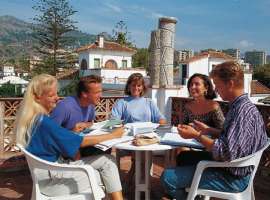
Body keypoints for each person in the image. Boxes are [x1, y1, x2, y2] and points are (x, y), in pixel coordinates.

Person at [161, 61, 268, 200]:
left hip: (232, 178)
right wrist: (208, 130)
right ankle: (192, 194)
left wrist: (197, 135)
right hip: (234, 168)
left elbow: (226, 152)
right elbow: (232, 137)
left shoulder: (242, 112)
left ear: (229, 83)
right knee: (184, 157)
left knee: (167, 177)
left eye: (217, 84)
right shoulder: (241, 106)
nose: (216, 90)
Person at [15, 74, 124, 200]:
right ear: (37, 98)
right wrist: (113, 135)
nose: (57, 98)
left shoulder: (33, 119)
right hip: (53, 180)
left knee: (108, 161)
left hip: (49, 172)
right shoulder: (44, 122)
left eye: (56, 94)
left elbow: (56, 137)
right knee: (103, 173)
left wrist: (72, 132)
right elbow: (80, 142)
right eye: (51, 95)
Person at [175, 73, 225, 164]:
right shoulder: (188, 106)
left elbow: (223, 132)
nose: (192, 87)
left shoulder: (214, 106)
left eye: (197, 84)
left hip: (208, 145)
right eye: (190, 85)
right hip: (190, 142)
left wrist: (205, 130)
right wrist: (184, 127)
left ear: (206, 88)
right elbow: (182, 125)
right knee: (181, 149)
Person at [50, 75, 105, 157]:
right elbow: (50, 135)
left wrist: (87, 125)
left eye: (101, 91)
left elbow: (90, 122)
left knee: (105, 147)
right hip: (64, 150)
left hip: (80, 143)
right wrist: (72, 131)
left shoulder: (91, 104)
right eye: (97, 92)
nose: (101, 95)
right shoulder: (64, 107)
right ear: (84, 94)